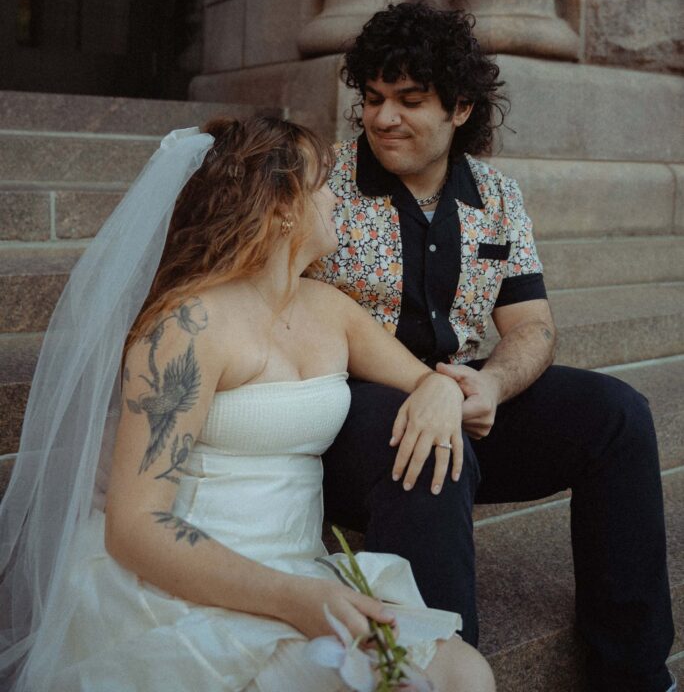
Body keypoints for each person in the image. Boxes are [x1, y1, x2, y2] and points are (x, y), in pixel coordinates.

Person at [0, 115, 495, 692]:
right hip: (194, 585)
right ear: (282, 205)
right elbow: (133, 527)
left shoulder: (329, 309)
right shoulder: (186, 326)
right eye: (321, 184)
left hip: (300, 569)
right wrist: (294, 599)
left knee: (467, 673)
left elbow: (429, 380)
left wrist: (437, 389)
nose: (337, 197)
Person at [310, 1, 676, 692]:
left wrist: (488, 386)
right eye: (374, 98)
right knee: (424, 446)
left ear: (461, 108)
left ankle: (633, 673)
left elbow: (532, 325)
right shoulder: (322, 183)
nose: (384, 118)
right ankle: (444, 677)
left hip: (465, 392)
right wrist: (428, 396)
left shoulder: (498, 197)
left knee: (619, 416)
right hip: (349, 414)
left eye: (410, 100)